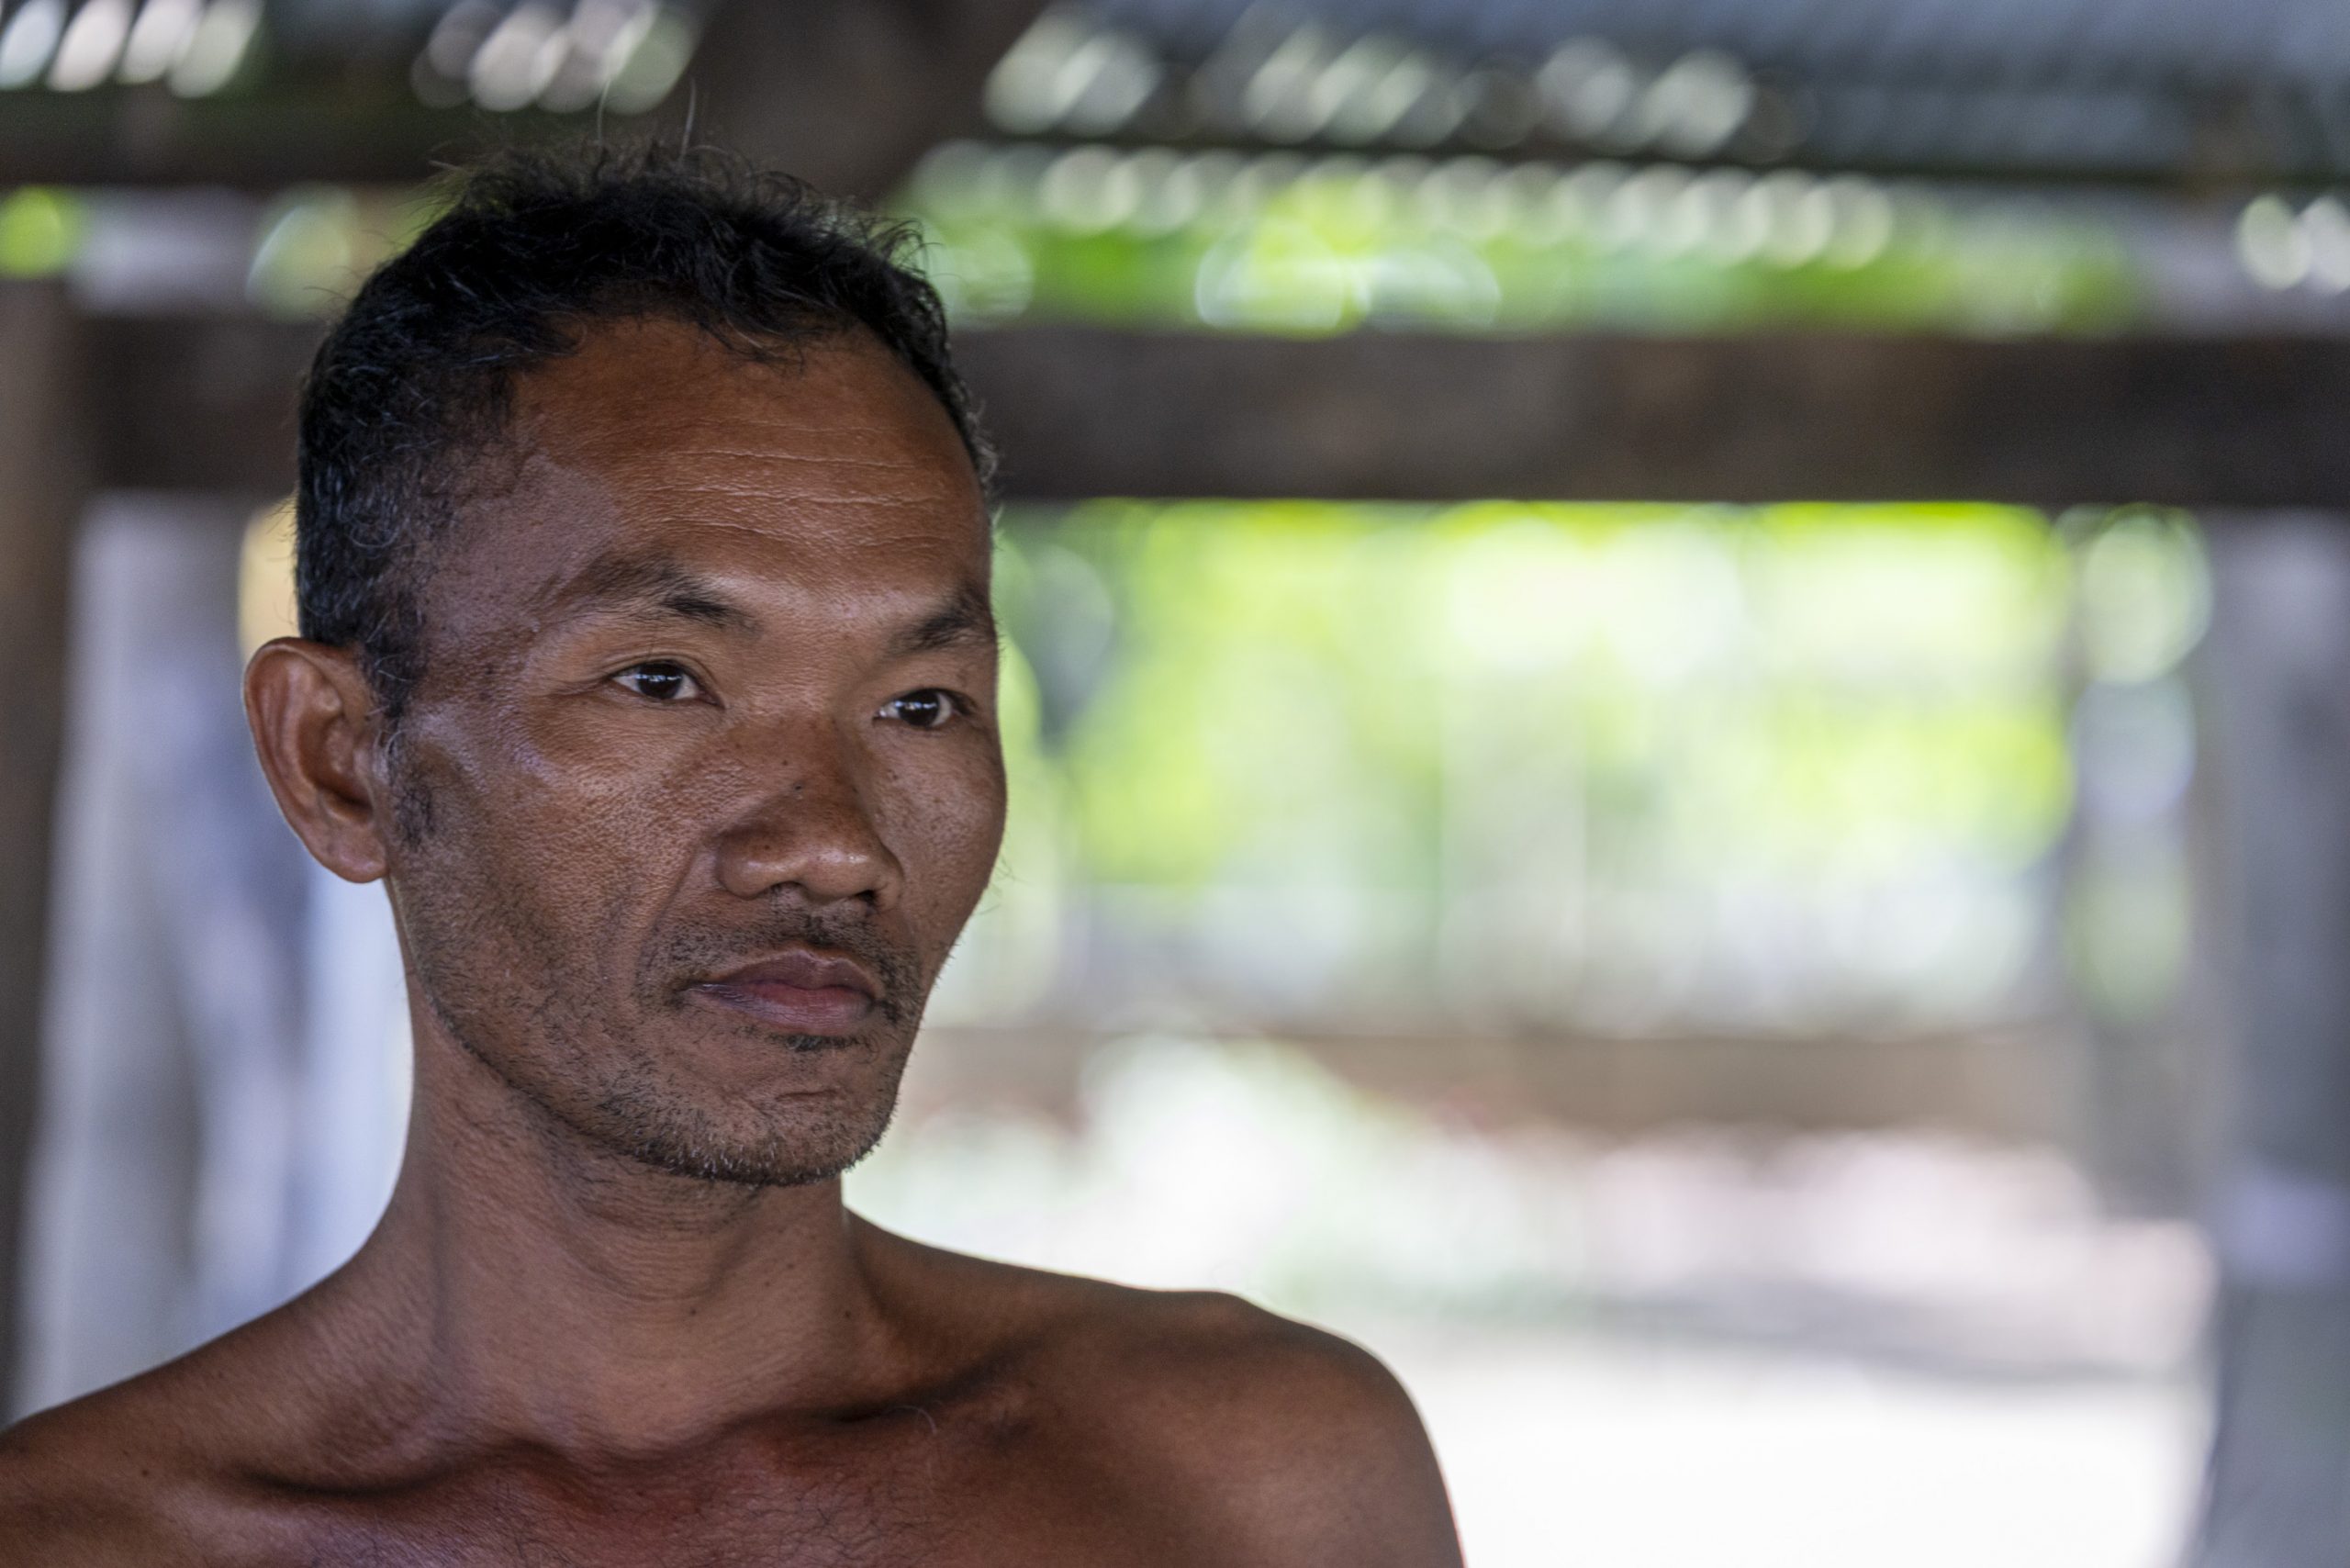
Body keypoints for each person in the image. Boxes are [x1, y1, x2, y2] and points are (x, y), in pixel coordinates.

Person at [0, 143, 1462, 1564]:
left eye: (919, 704)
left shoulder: (1247, 1490)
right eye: (662, 681)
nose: (831, 845)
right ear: (340, 760)